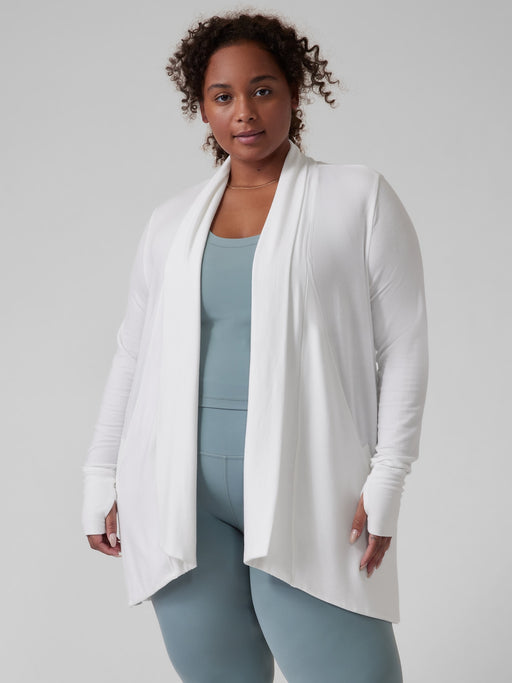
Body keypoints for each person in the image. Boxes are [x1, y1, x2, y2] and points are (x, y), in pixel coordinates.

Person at [82, 10, 428, 683]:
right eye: (223, 96)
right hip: (180, 493)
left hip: (312, 484)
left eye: (262, 90)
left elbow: (405, 346)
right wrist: (99, 474)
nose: (244, 111)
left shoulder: (356, 197)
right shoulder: (170, 222)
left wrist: (389, 475)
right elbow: (133, 354)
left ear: (295, 92)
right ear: (203, 108)